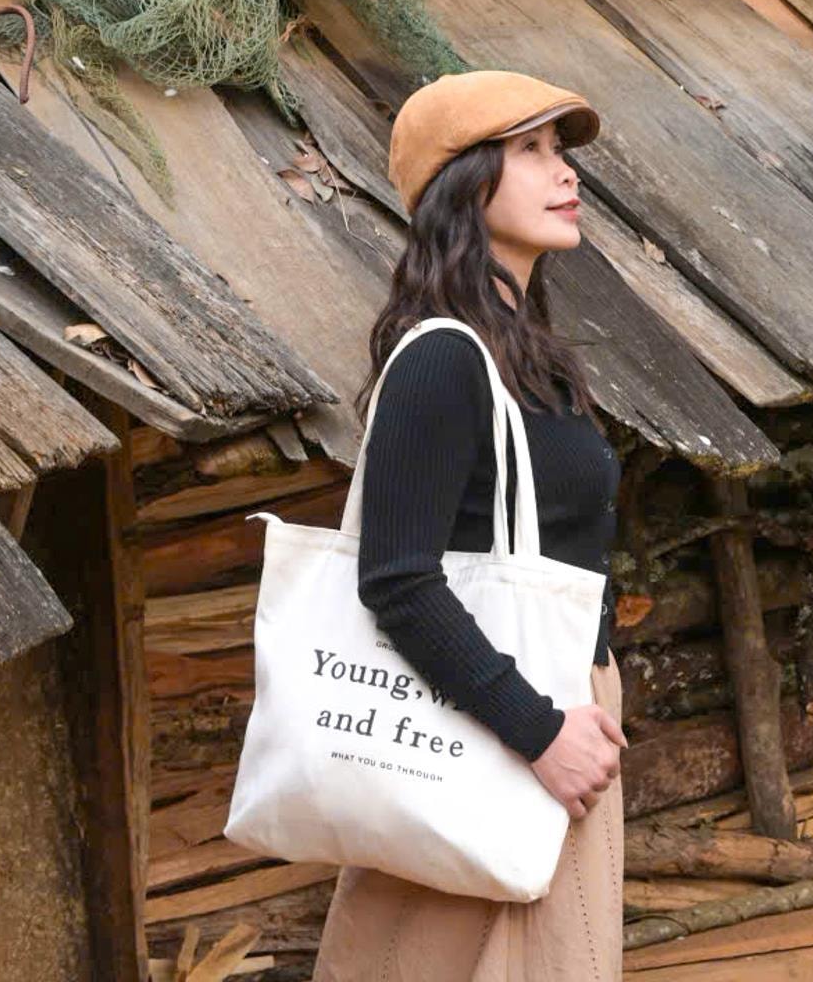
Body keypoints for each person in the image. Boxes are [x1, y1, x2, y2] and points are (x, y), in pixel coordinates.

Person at [315, 69, 629, 982]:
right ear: (462, 183)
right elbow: (398, 578)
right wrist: (536, 729)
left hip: (556, 720)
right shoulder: (442, 358)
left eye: (560, 150)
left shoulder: (526, 354)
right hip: (496, 726)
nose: (563, 171)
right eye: (529, 150)